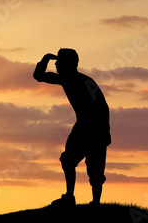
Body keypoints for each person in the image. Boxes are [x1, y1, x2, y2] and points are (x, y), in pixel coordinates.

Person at [33, 49, 111, 206]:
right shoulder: (66, 79)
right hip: (83, 125)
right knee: (68, 159)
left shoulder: (83, 81)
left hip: (95, 128)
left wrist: (100, 133)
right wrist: (46, 58)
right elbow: (38, 76)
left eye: (58, 62)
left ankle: (95, 202)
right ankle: (70, 196)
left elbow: (102, 108)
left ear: (69, 64)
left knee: (95, 167)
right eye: (56, 62)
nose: (55, 65)